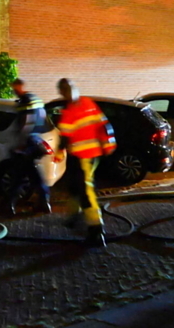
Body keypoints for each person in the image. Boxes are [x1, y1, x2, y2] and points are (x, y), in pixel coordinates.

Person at [55, 78, 116, 248]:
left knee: (85, 191)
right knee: (74, 186)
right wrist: (108, 143)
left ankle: (96, 229)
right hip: (84, 156)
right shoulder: (86, 103)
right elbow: (104, 124)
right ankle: (75, 216)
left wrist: (58, 153)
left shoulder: (70, 111)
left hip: (85, 157)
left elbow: (65, 138)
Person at [6, 78, 53, 215]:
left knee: (19, 175)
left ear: (19, 86)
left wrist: (22, 144)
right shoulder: (35, 98)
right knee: (32, 175)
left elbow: (27, 123)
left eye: (14, 88)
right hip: (37, 140)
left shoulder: (25, 101)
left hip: (29, 143)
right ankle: (44, 203)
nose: (14, 91)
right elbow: (42, 117)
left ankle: (10, 205)